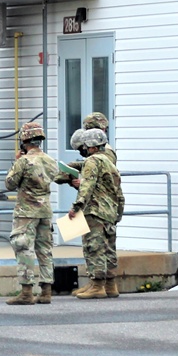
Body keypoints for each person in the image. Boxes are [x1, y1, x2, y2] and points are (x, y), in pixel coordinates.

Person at [4, 121, 59, 305]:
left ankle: (27, 292)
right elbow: (58, 176)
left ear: (24, 141)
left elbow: (10, 183)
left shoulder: (23, 161)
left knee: (23, 248)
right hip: (45, 211)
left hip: (26, 211)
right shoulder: (50, 161)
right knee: (44, 250)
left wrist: (16, 161)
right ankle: (46, 291)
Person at [68, 128, 124, 299]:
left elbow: (87, 186)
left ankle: (97, 286)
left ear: (90, 146)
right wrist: (118, 212)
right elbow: (118, 191)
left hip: (95, 210)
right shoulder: (109, 162)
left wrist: (77, 206)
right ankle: (110, 285)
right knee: (109, 248)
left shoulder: (92, 161)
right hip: (109, 211)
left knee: (94, 248)